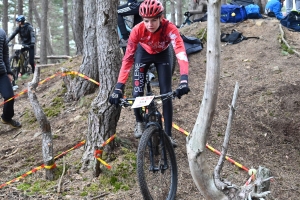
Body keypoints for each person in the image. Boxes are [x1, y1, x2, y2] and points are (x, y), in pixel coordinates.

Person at [109, 0, 190, 147]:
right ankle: (139, 121)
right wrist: (119, 87)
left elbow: (180, 52)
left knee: (167, 93)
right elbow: (127, 60)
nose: (150, 24)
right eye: (146, 20)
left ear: (161, 18)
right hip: (143, 53)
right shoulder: (137, 30)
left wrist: (184, 79)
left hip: (162, 55)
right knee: (137, 92)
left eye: (154, 20)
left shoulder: (169, 28)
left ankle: (168, 135)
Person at [0, 28, 22, 128]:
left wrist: (9, 72)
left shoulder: (1, 32)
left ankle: (6, 118)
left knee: (9, 97)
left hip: (1, 73)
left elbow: (5, 54)